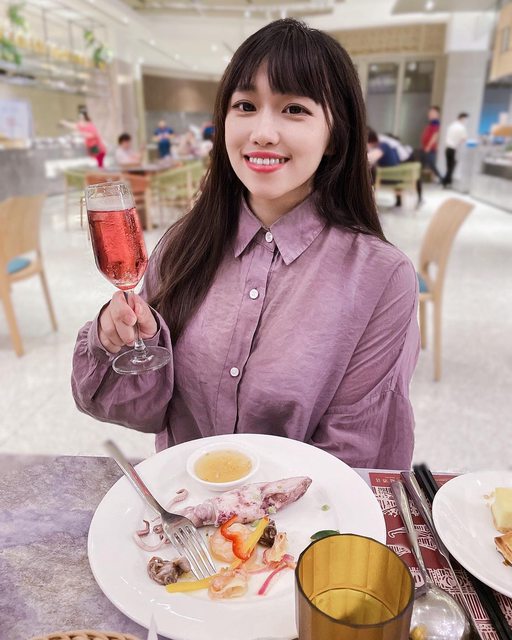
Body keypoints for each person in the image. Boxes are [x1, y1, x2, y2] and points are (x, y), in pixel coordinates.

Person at [72, 19, 420, 470]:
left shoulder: (381, 278)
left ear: (335, 134)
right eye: (245, 106)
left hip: (302, 511)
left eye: (294, 109)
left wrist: (243, 510)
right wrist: (115, 339)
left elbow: (358, 455)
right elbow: (142, 410)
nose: (263, 132)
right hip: (180, 503)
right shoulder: (184, 244)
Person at [442, 112, 469, 187]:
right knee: (452, 166)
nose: (466, 121)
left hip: (447, 148)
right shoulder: (462, 127)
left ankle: (448, 182)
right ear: (463, 118)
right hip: (454, 149)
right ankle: (445, 181)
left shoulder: (451, 125)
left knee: (449, 166)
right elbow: (464, 138)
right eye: (466, 119)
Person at [419, 106, 443, 182]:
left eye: (432, 112)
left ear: (437, 114)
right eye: (430, 112)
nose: (430, 114)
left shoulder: (436, 123)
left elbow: (435, 135)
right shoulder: (431, 123)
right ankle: (417, 180)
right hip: (425, 147)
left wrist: (429, 146)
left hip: (430, 148)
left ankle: (442, 179)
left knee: (431, 164)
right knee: (422, 164)